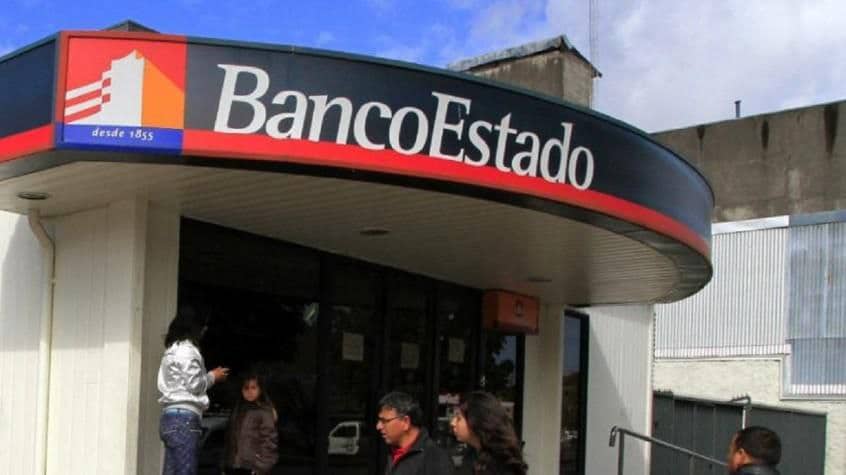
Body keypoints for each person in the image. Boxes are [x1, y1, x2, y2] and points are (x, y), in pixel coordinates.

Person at [157, 307, 229, 475]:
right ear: (194, 327)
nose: (205, 330)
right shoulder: (188, 351)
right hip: (185, 420)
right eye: (203, 326)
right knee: (186, 471)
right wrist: (213, 376)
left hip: (169, 418)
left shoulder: (170, 351)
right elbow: (195, 385)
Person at [377, 391, 454, 475]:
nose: (378, 426)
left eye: (384, 421)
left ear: (405, 422)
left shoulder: (435, 459)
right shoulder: (392, 451)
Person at [450, 391, 527, 475]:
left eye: (459, 418)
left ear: (475, 422)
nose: (452, 423)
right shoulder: (472, 455)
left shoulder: (500, 465)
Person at [222, 372, 279, 474]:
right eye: (246, 388)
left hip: (254, 468)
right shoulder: (237, 411)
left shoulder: (264, 412)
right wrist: (224, 465)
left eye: (253, 388)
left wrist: (261, 467)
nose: (250, 391)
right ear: (241, 390)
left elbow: (269, 442)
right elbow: (229, 440)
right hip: (234, 467)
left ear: (260, 389)